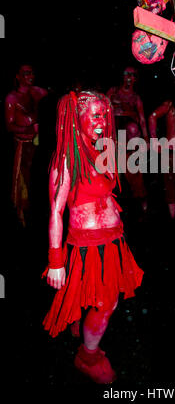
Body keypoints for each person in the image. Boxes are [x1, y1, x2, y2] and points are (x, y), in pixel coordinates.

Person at [42, 89, 144, 384]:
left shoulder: (103, 151)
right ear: (77, 119)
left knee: (99, 299)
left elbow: (143, 157)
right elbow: (55, 212)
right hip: (87, 245)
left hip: (113, 242)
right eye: (96, 115)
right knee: (106, 303)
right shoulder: (65, 160)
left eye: (105, 114)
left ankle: (82, 330)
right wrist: (56, 261)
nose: (103, 120)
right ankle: (87, 355)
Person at [5, 64, 47, 227]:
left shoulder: (38, 92)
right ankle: (21, 216)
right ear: (18, 76)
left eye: (32, 73)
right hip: (22, 145)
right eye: (26, 73)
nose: (30, 76)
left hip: (38, 145)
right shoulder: (12, 98)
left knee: (38, 180)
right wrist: (28, 128)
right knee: (23, 181)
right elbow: (9, 126)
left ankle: (37, 214)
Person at [107, 66, 149, 213]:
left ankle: (141, 206)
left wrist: (147, 139)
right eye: (126, 74)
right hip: (113, 139)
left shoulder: (136, 98)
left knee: (134, 174)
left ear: (136, 78)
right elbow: (103, 109)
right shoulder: (113, 92)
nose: (129, 77)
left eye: (132, 74)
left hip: (130, 142)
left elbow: (142, 119)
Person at [148, 99, 175, 219]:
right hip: (171, 152)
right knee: (173, 190)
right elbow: (152, 116)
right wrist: (154, 141)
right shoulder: (170, 105)